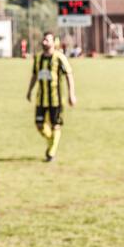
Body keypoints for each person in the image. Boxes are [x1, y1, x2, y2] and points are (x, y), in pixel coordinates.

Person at [26, 31, 76, 162]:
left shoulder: (59, 58)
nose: (44, 42)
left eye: (47, 40)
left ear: (54, 42)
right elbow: (35, 75)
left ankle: (51, 153)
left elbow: (69, 74)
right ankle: (51, 143)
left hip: (56, 99)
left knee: (55, 126)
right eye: (44, 40)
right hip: (41, 99)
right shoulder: (38, 58)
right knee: (39, 125)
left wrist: (72, 94)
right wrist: (29, 90)